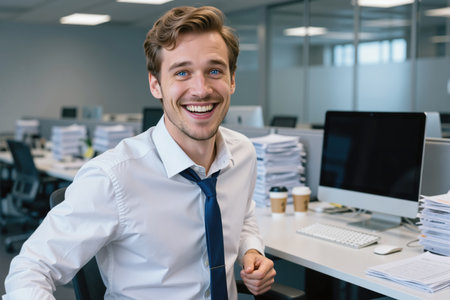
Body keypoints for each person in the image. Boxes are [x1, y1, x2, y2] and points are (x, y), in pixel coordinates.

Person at [3, 5, 276, 300]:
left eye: (214, 71)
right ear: (156, 84)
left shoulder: (243, 154)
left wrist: (251, 250)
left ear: (232, 80)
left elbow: (243, 212)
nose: (201, 89)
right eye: (182, 72)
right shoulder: (114, 177)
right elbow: (31, 268)